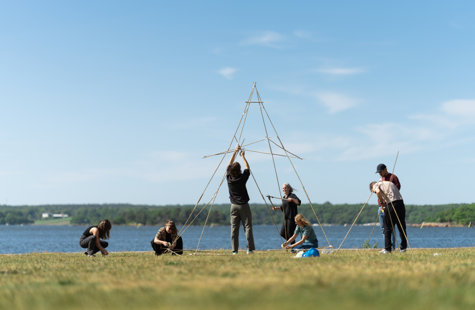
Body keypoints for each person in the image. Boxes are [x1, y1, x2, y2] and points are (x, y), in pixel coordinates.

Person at [226, 145, 255, 255]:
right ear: (239, 170)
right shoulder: (242, 178)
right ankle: (249, 249)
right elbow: (247, 168)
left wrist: (235, 151)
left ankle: (234, 250)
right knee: (247, 227)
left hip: (233, 206)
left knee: (234, 229)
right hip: (243, 205)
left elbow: (229, 164)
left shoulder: (229, 178)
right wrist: (243, 156)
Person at [370, 180, 408, 253]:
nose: (375, 193)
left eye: (373, 192)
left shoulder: (376, 185)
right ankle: (403, 248)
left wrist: (381, 201)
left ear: (372, 188)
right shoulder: (389, 183)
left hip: (390, 204)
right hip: (400, 203)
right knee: (401, 227)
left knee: (387, 227)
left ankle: (387, 249)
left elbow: (377, 191)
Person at [376, 163, 401, 249]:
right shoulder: (380, 179)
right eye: (378, 172)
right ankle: (387, 247)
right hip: (381, 207)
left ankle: (392, 247)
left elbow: (397, 189)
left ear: (385, 169)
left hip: (390, 206)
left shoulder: (393, 177)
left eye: (380, 171)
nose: (379, 173)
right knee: (383, 229)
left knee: (391, 228)